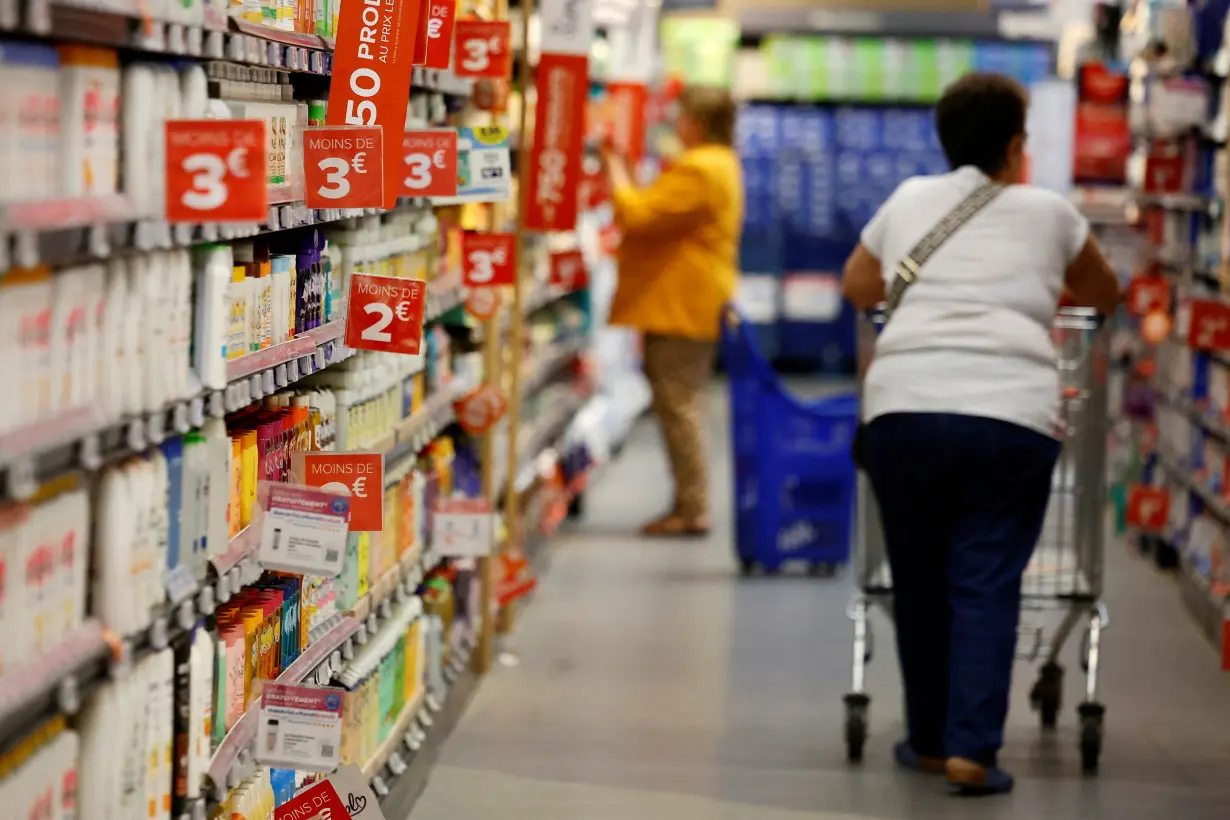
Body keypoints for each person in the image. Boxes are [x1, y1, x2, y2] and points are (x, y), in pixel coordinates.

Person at [841, 73, 1121, 796]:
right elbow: (1102, 294)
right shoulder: (1050, 213)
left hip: (904, 412)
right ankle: (972, 748)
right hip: (1010, 418)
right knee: (985, 581)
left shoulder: (908, 200)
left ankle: (929, 742)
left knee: (919, 580)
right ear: (1015, 146)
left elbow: (858, 286)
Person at [604, 85, 743, 537]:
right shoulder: (720, 164)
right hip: (691, 301)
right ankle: (689, 502)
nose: (675, 124)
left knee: (677, 405)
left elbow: (638, 215)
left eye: (681, 116)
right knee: (681, 402)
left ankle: (692, 508)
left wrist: (610, 167)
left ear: (697, 123)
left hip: (682, 305)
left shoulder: (701, 168)